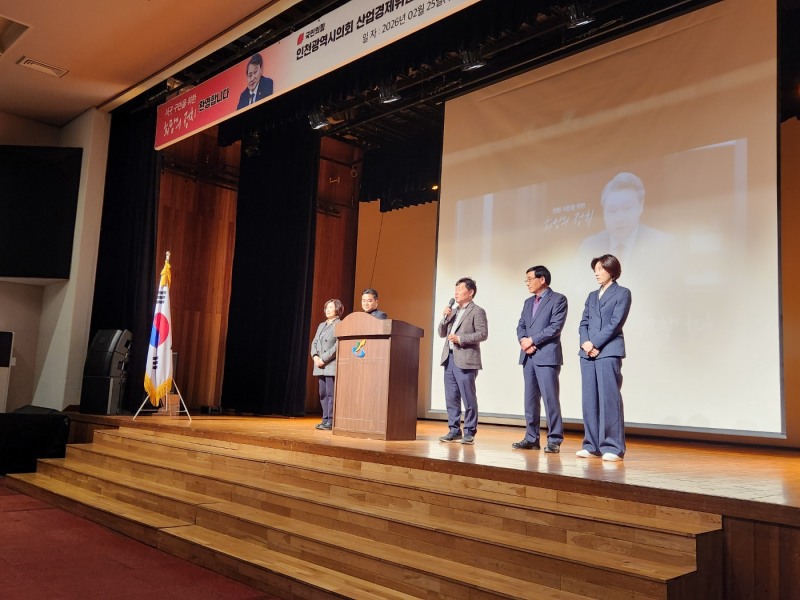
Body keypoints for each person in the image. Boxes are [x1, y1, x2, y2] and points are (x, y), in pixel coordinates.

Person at [577, 255, 632, 461]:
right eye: (595, 269)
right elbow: (583, 323)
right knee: (589, 399)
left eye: (601, 269)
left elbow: (616, 323)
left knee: (609, 399)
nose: (597, 273)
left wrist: (595, 343)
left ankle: (613, 447)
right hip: (587, 353)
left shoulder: (622, 293)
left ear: (612, 270)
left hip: (608, 350)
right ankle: (591, 445)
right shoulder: (592, 295)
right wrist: (586, 343)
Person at [513, 266, 568, 453]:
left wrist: (532, 340)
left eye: (530, 279)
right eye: (526, 280)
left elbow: (555, 327)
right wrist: (523, 340)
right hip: (528, 356)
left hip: (547, 356)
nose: (527, 283)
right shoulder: (528, 302)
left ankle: (554, 439)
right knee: (530, 400)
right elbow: (521, 325)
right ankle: (531, 438)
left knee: (550, 399)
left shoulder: (558, 299)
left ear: (542, 279)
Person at [578, 172, 672, 277]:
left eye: (627, 209)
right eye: (612, 211)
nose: (619, 219)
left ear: (640, 206)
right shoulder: (589, 245)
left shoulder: (663, 244)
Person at [438, 277, 488, 445]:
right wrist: (445, 317)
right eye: (455, 289)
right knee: (451, 397)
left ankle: (469, 431)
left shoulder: (477, 311)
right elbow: (441, 333)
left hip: (466, 359)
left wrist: (460, 339)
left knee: (468, 397)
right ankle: (454, 430)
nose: (456, 293)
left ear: (470, 292)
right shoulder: (453, 312)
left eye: (460, 289)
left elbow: (482, 334)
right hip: (449, 359)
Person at [310, 299, 344, 430]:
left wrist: (324, 358)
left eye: (331, 307)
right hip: (319, 364)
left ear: (338, 310)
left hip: (330, 364)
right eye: (327, 307)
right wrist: (315, 356)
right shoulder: (321, 325)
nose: (328, 310)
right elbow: (314, 342)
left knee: (331, 394)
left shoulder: (340, 324)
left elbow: (338, 345)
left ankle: (331, 420)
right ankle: (325, 419)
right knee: (323, 393)